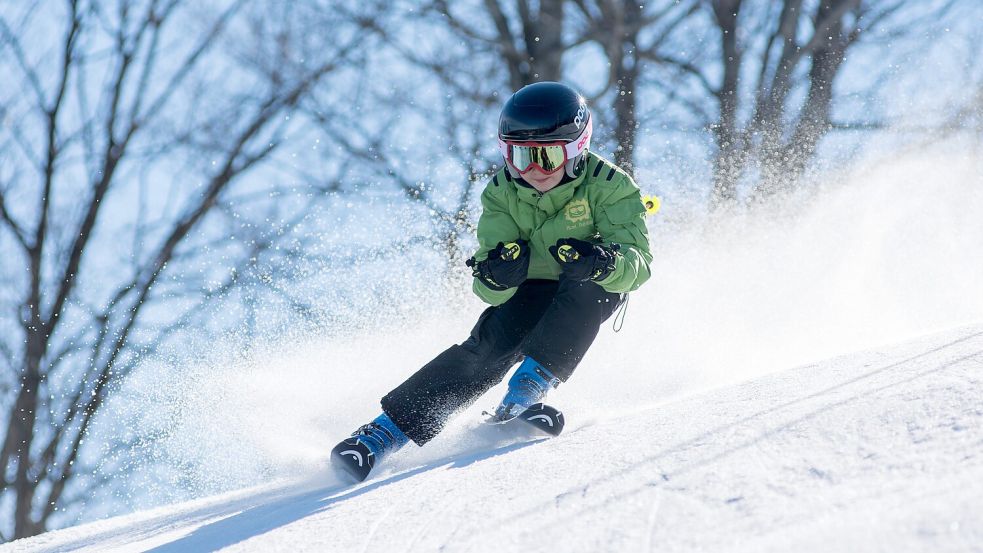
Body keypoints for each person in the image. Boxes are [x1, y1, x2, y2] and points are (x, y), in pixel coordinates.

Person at [330, 81, 653, 482]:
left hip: (588, 284)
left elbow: (639, 265)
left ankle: (525, 394)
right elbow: (486, 286)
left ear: (576, 150)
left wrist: (602, 262)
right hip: (531, 287)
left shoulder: (610, 185)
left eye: (547, 157)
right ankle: (381, 435)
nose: (532, 171)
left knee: (588, 290)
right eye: (519, 156)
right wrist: (498, 274)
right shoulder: (501, 191)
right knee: (489, 347)